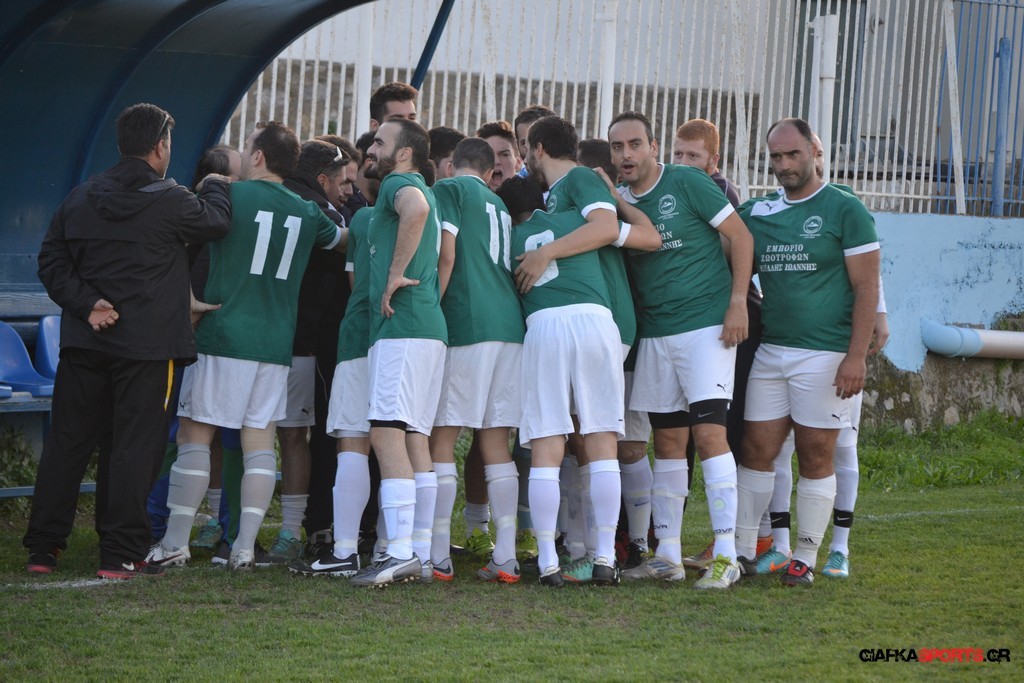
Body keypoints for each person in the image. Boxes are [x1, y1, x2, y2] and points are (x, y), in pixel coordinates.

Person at [24, 102, 231, 579]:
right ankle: (119, 552)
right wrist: (218, 184)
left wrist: (86, 303)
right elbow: (216, 223)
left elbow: (50, 260)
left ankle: (42, 549)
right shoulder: (172, 199)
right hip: (147, 351)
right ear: (160, 147)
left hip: (85, 342)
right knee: (135, 448)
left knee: (67, 446)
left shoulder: (81, 196)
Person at [150, 121, 347, 571]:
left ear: (258, 157)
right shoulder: (306, 210)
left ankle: (174, 542)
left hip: (223, 334)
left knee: (195, 434)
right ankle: (243, 548)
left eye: (247, 147)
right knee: (260, 442)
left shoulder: (231, 196)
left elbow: (174, 242)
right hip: (275, 344)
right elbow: (343, 240)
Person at [606, 111, 753, 590]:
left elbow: (740, 235)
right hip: (655, 334)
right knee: (667, 443)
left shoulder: (687, 182)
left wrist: (737, 302)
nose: (626, 154)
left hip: (706, 328)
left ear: (652, 147)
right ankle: (667, 555)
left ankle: (726, 555)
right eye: (617, 147)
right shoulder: (618, 201)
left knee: (709, 436)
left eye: (635, 144)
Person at [515, 116, 662, 585]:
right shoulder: (559, 201)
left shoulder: (575, 182)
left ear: (539, 147)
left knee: (553, 444)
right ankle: (599, 556)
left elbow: (607, 227)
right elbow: (622, 232)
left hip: (567, 323)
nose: (521, 156)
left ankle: (554, 559)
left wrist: (547, 252)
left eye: (524, 146)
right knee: (597, 442)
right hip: (593, 322)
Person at [736, 117, 880, 587]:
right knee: (756, 450)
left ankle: (805, 556)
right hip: (772, 351)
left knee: (816, 453)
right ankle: (741, 551)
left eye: (792, 154)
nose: (783, 165)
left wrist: (855, 357)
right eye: (775, 157)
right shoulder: (758, 212)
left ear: (815, 151)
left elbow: (867, 287)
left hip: (825, 354)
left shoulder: (845, 208)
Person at [348, 119, 448, 587]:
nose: (371, 148)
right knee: (413, 438)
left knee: (386, 433)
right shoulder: (415, 185)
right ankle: (421, 553)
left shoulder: (397, 183)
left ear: (404, 153)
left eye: (380, 142)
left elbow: (417, 209)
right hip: (426, 327)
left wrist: (393, 273)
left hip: (404, 325)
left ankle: (400, 552)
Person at [429, 137, 525, 583]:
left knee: (442, 437)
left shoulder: (448, 189)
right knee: (495, 442)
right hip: (509, 326)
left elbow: (446, 253)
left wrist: (431, 305)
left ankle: (436, 554)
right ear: (490, 173)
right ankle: (505, 555)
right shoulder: (499, 204)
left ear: (451, 165)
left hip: (468, 320)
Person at [267, 140, 352, 564]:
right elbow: (348, 242)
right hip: (303, 340)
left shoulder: (265, 196)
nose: (348, 191)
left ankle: (233, 532)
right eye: (342, 182)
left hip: (257, 337)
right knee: (297, 435)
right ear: (322, 179)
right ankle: (293, 531)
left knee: (248, 434)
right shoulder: (317, 211)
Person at [672, 119, 741, 207]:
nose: (682, 163)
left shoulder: (722, 192)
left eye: (692, 155)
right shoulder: (669, 183)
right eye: (678, 154)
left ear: (714, 160)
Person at [476, 121, 523, 192]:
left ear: (518, 162)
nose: (496, 161)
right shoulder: (465, 196)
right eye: (488, 155)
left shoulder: (534, 196)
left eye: (504, 155)